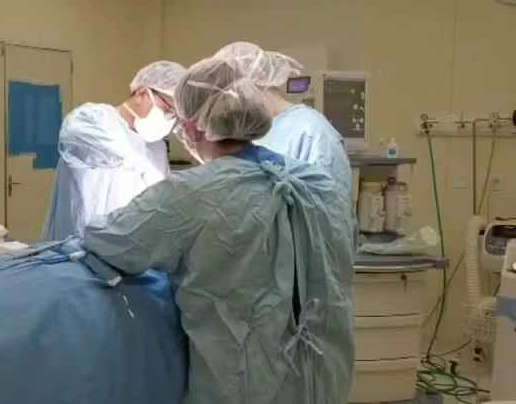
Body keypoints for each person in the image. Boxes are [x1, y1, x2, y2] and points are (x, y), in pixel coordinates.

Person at [81, 57, 355, 403]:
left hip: (248, 388)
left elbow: (111, 240)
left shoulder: (193, 193)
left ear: (192, 126)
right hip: (325, 380)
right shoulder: (317, 185)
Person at [41, 61, 187, 241]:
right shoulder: (93, 118)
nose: (170, 120)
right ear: (142, 93)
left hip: (128, 248)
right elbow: (74, 141)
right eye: (168, 110)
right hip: (77, 244)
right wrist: (137, 162)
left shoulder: (156, 147)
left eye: (175, 116)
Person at [214, 41, 352, 196]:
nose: (231, 100)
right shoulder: (247, 133)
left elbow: (331, 204)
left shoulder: (312, 132)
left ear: (259, 74)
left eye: (233, 89)